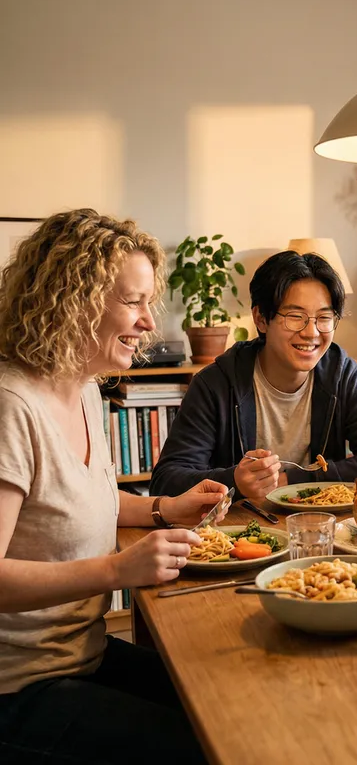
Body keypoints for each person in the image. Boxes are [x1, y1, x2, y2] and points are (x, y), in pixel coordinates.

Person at [0, 209, 229, 764]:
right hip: (19, 689)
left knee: (224, 704)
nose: (150, 323)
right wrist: (117, 571)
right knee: (206, 746)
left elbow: (68, 501)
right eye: (134, 302)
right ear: (72, 299)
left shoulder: (82, 388)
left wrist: (165, 509)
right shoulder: (11, 407)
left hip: (85, 654)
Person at [150, 249, 357, 500]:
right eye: (295, 317)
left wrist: (294, 480)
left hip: (323, 529)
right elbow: (167, 481)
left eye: (324, 318)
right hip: (240, 532)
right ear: (261, 319)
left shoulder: (341, 375)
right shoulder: (216, 383)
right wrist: (234, 480)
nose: (311, 332)